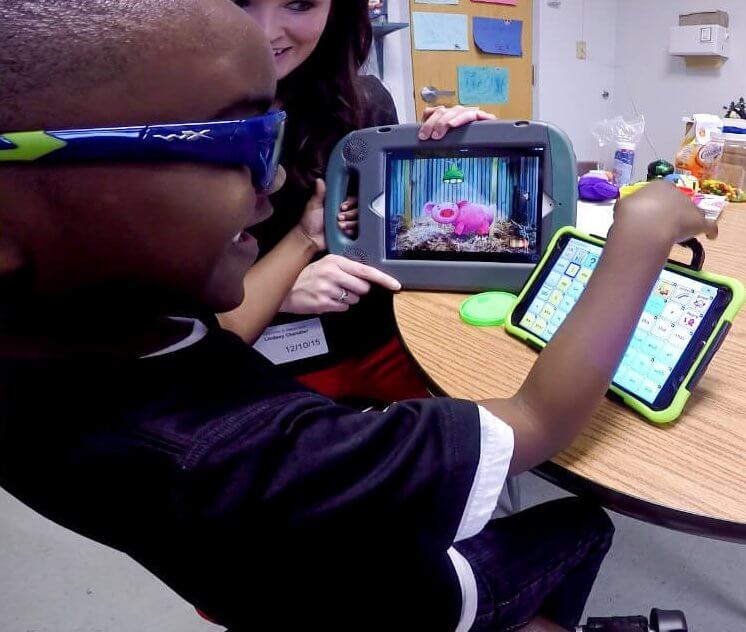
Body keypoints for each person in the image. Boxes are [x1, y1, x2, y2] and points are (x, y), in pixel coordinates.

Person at [0, 1, 717, 631]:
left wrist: (310, 233)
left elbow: (215, 338)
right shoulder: (242, 457)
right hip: (397, 598)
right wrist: (643, 230)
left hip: (262, 581)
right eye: (230, 145)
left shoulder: (77, 358)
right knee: (579, 523)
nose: (274, 178)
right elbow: (538, 417)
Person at [219, 0, 495, 405]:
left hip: (383, 338)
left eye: (298, 5)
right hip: (258, 358)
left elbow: (405, 231)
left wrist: (465, 152)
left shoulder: (363, 104)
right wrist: (282, 289)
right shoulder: (177, 123)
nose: (265, 31)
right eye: (242, 2)